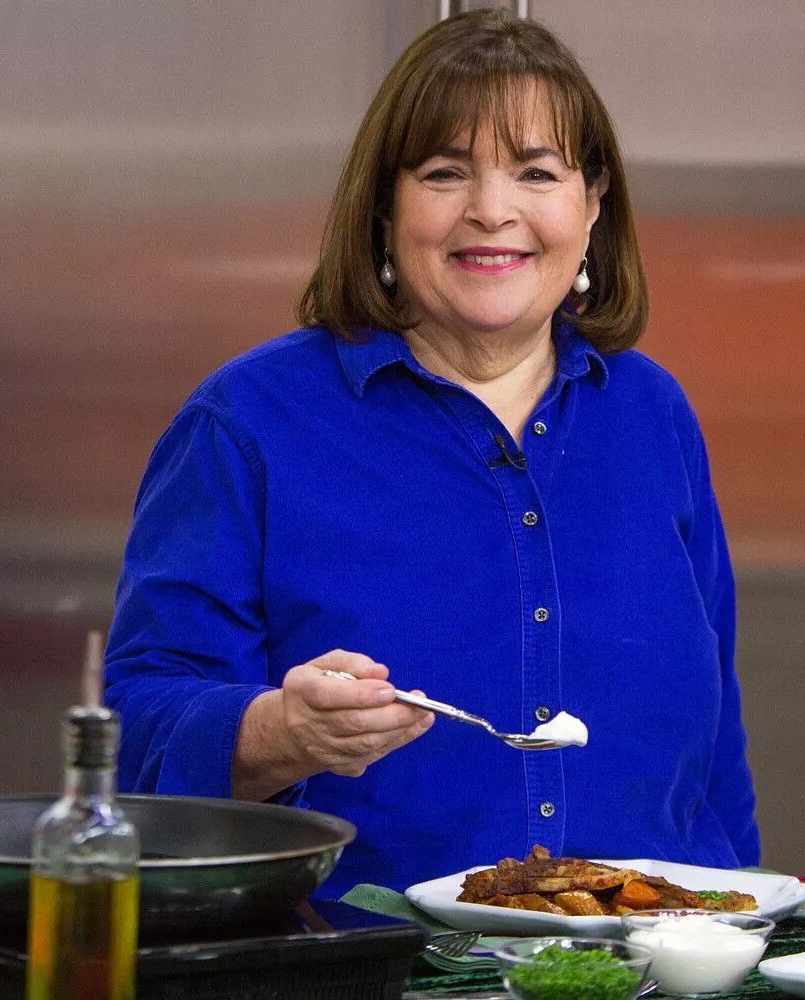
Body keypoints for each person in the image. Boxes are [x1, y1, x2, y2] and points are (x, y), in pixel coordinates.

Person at [105, 9, 758, 895]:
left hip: (656, 968)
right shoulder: (247, 423)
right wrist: (275, 731)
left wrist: (739, 927)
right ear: (384, 206)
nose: (493, 211)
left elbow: (714, 753)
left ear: (593, 201)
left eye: (537, 172)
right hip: (357, 968)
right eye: (446, 172)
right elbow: (134, 729)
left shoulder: (654, 415)